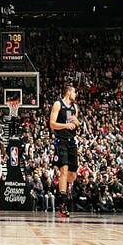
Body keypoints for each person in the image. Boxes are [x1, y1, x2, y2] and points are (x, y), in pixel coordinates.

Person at [50, 84, 80, 218]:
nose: (76, 95)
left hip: (72, 141)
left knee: (72, 175)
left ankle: (60, 185)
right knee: (64, 170)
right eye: (74, 92)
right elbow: (52, 124)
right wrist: (65, 125)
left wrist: (77, 122)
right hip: (61, 140)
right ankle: (62, 203)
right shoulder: (58, 104)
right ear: (68, 92)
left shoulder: (75, 108)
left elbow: (76, 126)